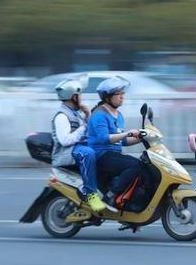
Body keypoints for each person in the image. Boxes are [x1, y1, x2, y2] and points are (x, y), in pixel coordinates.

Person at [51, 77, 116, 213]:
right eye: (79, 95)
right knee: (88, 153)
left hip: (78, 148)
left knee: (106, 152)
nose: (81, 98)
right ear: (73, 97)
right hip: (66, 153)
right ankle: (90, 194)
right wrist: (84, 126)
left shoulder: (77, 113)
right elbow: (65, 140)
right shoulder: (62, 116)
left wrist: (87, 115)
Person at [87, 76, 143, 210]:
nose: (122, 96)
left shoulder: (119, 115)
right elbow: (104, 138)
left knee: (145, 167)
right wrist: (128, 133)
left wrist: (142, 138)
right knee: (136, 165)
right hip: (101, 155)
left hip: (113, 155)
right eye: (118, 94)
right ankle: (110, 196)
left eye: (122, 93)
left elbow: (122, 141)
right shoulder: (99, 115)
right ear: (107, 97)